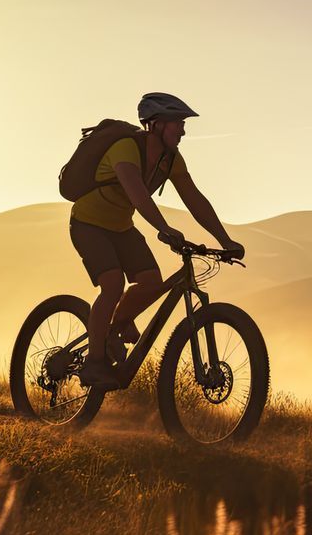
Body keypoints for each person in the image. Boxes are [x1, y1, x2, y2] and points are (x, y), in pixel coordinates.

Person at [69, 92, 242, 388]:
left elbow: (194, 199)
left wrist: (225, 239)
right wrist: (163, 228)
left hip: (121, 227)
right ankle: (95, 363)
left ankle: (113, 329)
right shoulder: (126, 148)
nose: (183, 130)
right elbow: (136, 193)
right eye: (178, 124)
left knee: (151, 282)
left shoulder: (170, 159)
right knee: (112, 285)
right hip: (88, 224)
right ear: (157, 124)